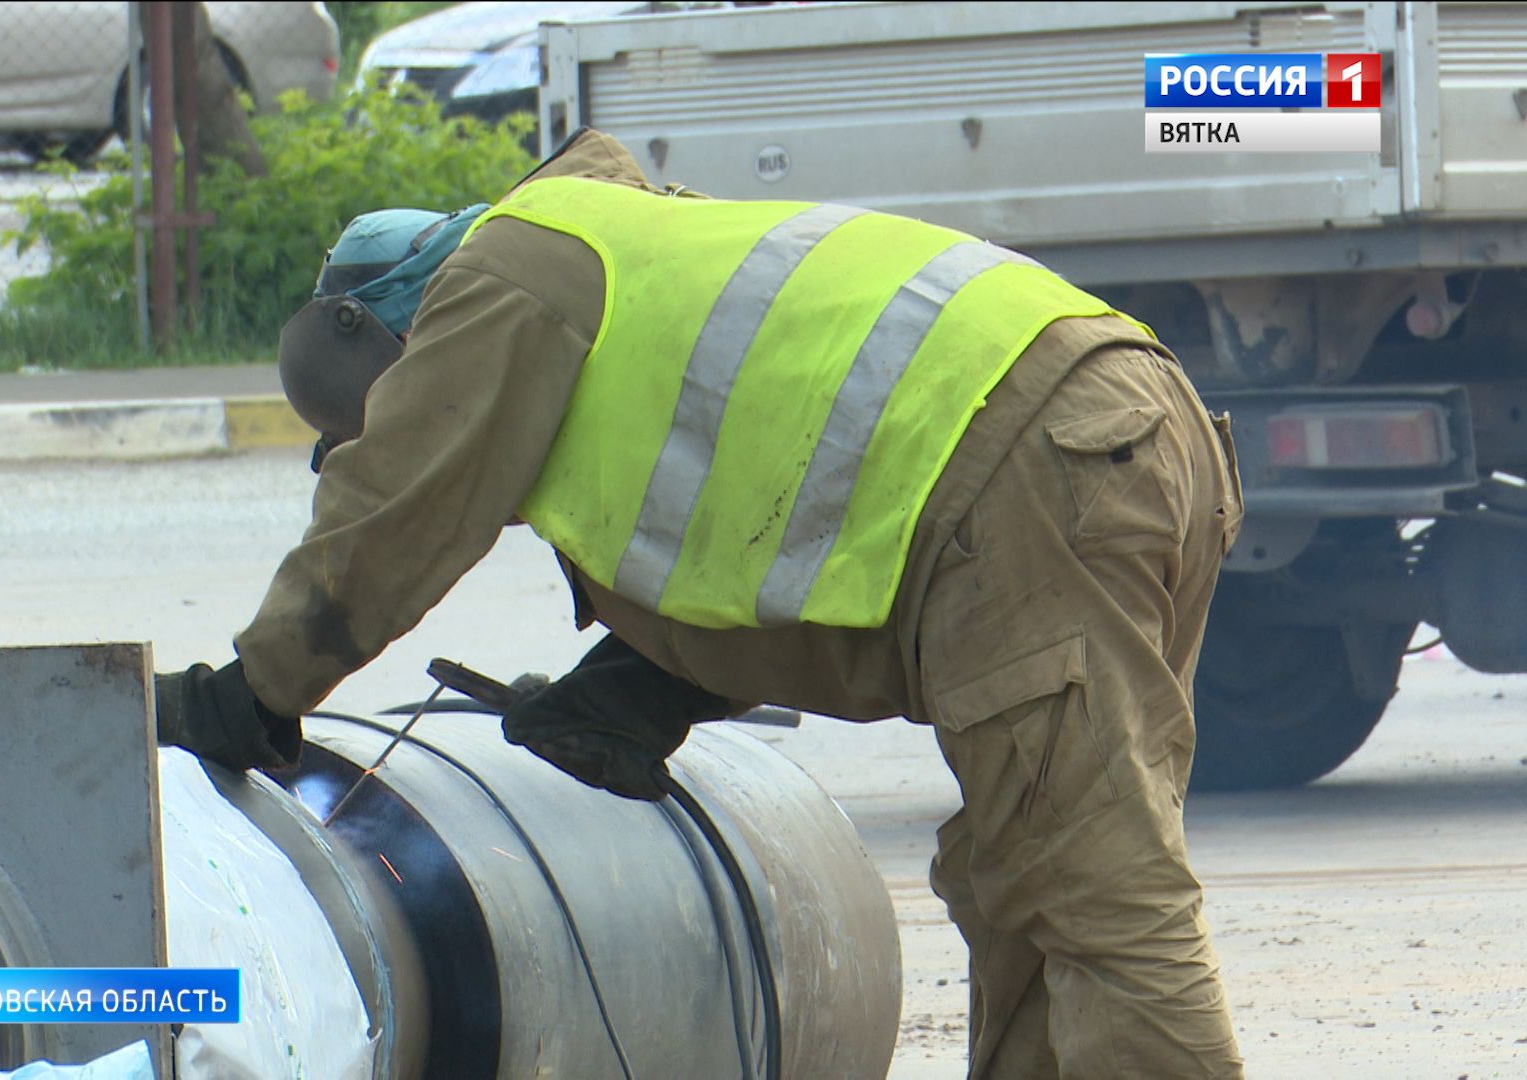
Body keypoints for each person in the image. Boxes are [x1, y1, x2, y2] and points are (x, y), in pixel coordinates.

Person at [156, 128, 1246, 1077]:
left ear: (382, 336)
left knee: (1097, 892)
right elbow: (777, 507)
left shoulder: (502, 282)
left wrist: (250, 694)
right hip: (1102, 437)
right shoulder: (614, 259)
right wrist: (649, 681)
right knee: (1025, 881)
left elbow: (391, 518)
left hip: (1029, 464)